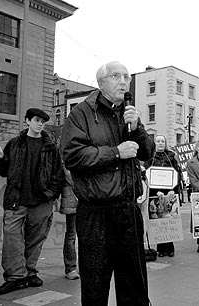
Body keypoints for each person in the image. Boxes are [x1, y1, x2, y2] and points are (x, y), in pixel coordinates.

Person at [61, 61, 154, 305]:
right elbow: (72, 155)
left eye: (126, 77)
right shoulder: (81, 113)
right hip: (96, 213)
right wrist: (115, 153)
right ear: (101, 82)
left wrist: (139, 129)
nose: (123, 81)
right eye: (116, 76)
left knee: (134, 284)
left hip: (128, 210)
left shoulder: (130, 112)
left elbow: (147, 153)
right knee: (95, 284)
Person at [0, 108, 64, 295]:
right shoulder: (15, 143)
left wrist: (51, 194)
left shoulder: (51, 147)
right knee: (12, 238)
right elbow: (4, 171)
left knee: (36, 239)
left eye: (42, 121)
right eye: (36, 120)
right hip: (16, 200)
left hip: (41, 201)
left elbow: (58, 174)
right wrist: (0, 159)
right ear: (27, 121)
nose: (40, 123)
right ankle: (15, 277)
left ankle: (29, 271)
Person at [144, 135, 182, 257]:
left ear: (165, 143)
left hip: (169, 193)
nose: (160, 143)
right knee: (158, 221)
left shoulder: (171, 157)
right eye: (158, 141)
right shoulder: (150, 157)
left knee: (169, 220)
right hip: (155, 194)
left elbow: (177, 174)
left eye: (162, 141)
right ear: (155, 143)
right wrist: (155, 192)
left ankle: (170, 248)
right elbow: (146, 176)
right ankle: (160, 248)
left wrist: (172, 190)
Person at [59, 164, 80, 280]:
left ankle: (80, 267)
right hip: (73, 198)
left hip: (83, 197)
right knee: (71, 234)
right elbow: (67, 174)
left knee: (84, 235)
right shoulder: (66, 152)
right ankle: (70, 268)